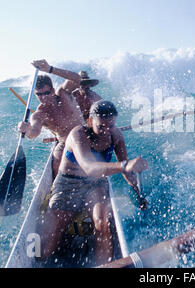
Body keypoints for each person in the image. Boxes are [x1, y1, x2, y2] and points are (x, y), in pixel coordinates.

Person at [39, 100, 149, 266]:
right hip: (68, 182)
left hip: (95, 184)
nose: (106, 131)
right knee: (49, 240)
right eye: (101, 126)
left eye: (110, 126)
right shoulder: (78, 135)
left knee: (102, 221)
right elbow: (89, 167)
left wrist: (138, 192)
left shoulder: (116, 136)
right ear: (90, 121)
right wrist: (125, 165)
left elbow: (126, 172)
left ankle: (105, 265)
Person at [17, 60, 84, 178]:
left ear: (52, 90)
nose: (43, 97)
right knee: (57, 161)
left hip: (85, 135)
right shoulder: (39, 114)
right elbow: (34, 133)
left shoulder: (63, 93)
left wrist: (50, 69)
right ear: (35, 94)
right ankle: (56, 189)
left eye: (46, 93)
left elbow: (77, 79)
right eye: (39, 94)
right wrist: (26, 130)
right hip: (65, 143)